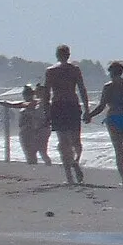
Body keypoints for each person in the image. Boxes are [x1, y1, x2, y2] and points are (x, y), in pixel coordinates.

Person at [87, 60, 123, 186]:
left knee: (118, 150)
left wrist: (89, 115)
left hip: (114, 117)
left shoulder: (108, 87)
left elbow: (102, 106)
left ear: (111, 73)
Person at [45, 45, 91, 183]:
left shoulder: (51, 71)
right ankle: (75, 160)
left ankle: (69, 177)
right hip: (72, 104)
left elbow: (47, 93)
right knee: (76, 140)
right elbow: (82, 89)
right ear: (68, 55)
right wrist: (87, 110)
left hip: (58, 105)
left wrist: (46, 112)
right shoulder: (74, 69)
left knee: (63, 142)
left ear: (57, 55)